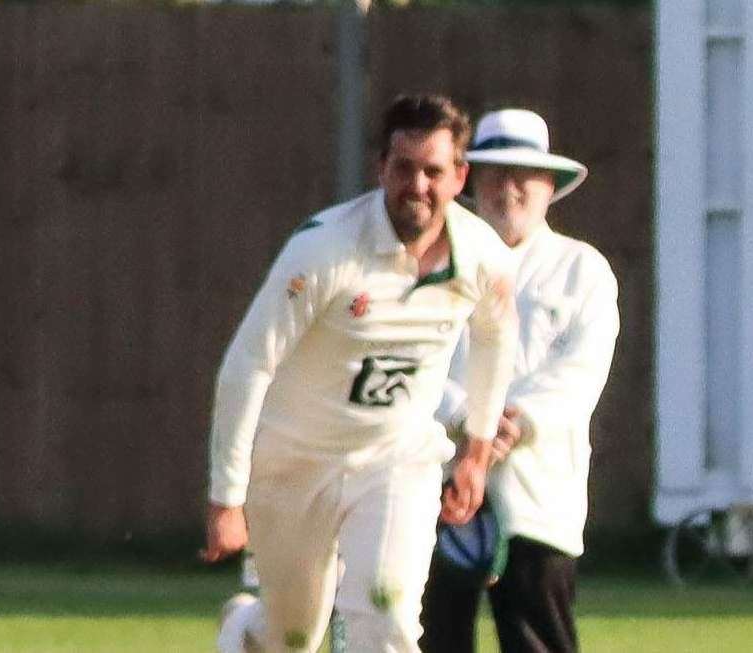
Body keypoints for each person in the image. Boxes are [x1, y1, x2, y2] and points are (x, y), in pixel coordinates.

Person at [202, 94, 519, 653]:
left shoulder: (482, 256)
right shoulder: (324, 249)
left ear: (459, 176)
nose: (417, 186)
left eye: (433, 171)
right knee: (293, 635)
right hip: (295, 462)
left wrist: (475, 448)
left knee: (386, 608)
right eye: (403, 168)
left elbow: (496, 337)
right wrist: (228, 497)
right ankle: (245, 630)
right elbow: (248, 365)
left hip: (395, 458)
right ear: (381, 168)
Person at [420, 109, 620, 653]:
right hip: (441, 483)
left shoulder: (583, 269)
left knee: (537, 639)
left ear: (549, 184)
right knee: (434, 639)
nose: (509, 188)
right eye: (494, 172)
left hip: (538, 487)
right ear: (468, 180)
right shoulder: (436, 264)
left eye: (524, 174)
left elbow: (580, 374)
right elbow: (418, 358)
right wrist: (468, 420)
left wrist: (513, 425)